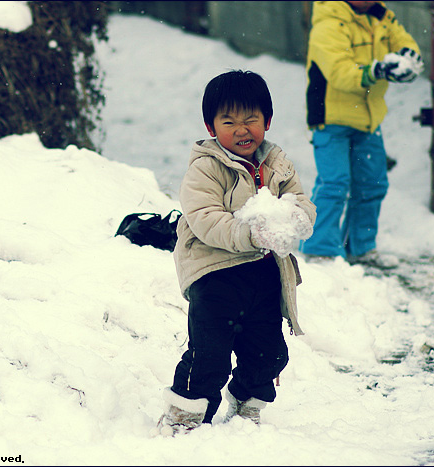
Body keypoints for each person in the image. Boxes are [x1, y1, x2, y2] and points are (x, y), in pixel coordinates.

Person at [155, 70, 316, 436]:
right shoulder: (205, 169)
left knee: (269, 353)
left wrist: (297, 220)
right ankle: (184, 418)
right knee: (209, 353)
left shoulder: (277, 163)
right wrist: (251, 231)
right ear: (212, 127)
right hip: (215, 275)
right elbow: (205, 219)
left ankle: (247, 407)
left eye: (251, 120)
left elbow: (300, 200)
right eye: (229, 122)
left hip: (263, 274)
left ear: (267, 121)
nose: (242, 130)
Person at [299, 1, 423, 267]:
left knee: (372, 183)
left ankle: (360, 248)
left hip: (367, 118)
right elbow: (340, 73)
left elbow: (404, 41)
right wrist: (378, 70)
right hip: (330, 118)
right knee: (334, 184)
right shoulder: (329, 23)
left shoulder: (381, 17)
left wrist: (407, 59)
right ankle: (319, 251)